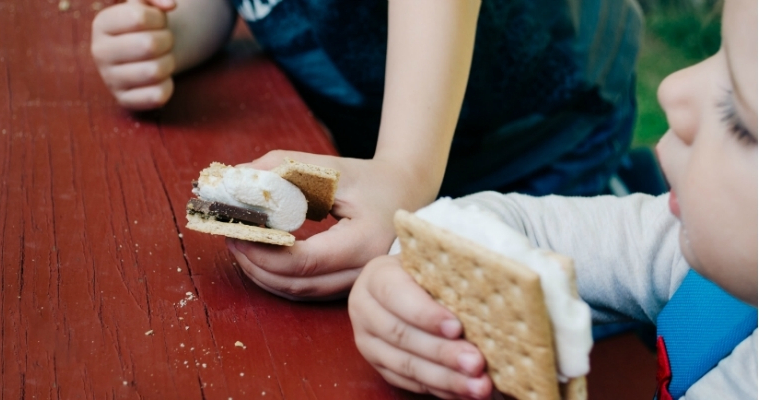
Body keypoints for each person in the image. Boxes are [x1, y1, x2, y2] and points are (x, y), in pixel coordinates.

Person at [91, 0, 641, 300]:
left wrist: (404, 170)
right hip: (369, 131)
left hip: (540, 135)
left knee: (544, 307)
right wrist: (168, 34)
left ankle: (640, 203)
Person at [347, 0, 757, 398]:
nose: (672, 88)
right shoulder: (674, 246)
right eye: (717, 51)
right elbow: (495, 226)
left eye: (740, 119)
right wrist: (407, 280)